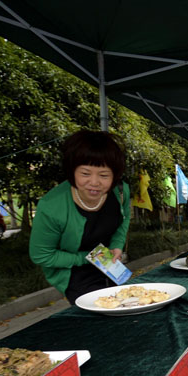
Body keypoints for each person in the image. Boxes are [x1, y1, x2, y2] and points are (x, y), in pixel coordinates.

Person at [30, 130, 130, 305]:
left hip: (110, 264)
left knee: (127, 307)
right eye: (85, 173)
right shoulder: (51, 206)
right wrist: (86, 257)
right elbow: (41, 255)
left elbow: (124, 219)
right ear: (72, 171)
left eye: (104, 175)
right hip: (75, 272)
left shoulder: (121, 192)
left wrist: (117, 245)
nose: (94, 182)